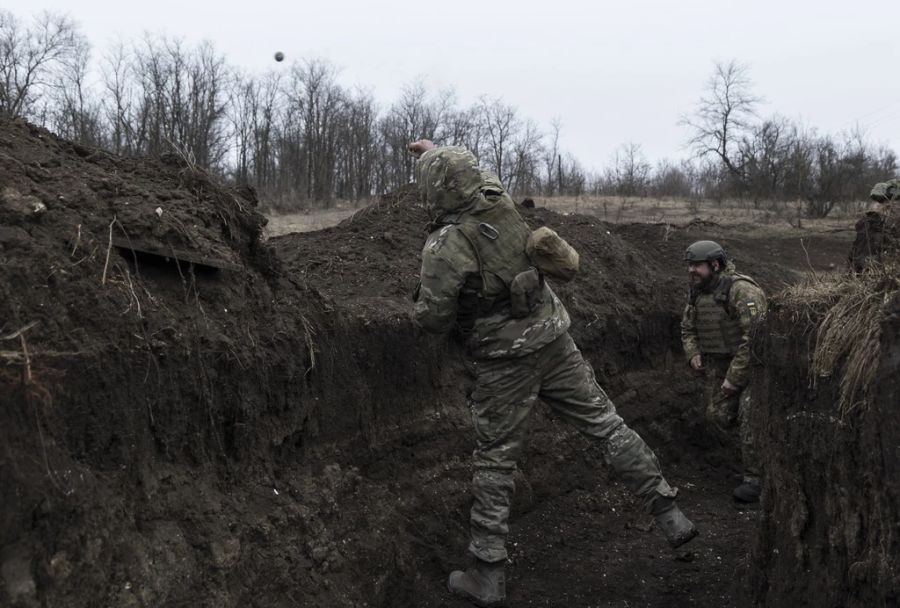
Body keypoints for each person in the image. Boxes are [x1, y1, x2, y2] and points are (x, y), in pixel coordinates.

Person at [408, 139, 697, 607]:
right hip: (554, 339)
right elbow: (477, 173)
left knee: (496, 459)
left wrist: (418, 300)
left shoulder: (445, 245)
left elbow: (432, 321)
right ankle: (668, 510)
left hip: (504, 362)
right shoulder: (498, 199)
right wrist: (438, 151)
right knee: (606, 425)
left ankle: (487, 573)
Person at [680, 240, 767, 504]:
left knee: (749, 418)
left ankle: (757, 480)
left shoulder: (742, 291)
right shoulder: (697, 293)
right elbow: (687, 328)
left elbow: (755, 339)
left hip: (753, 367)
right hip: (719, 366)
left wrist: (734, 378)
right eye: (689, 266)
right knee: (717, 414)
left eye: (697, 265)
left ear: (715, 264)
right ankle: (756, 456)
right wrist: (693, 353)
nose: (691, 271)